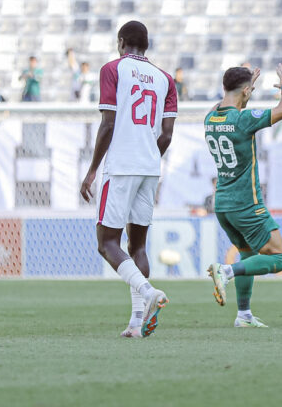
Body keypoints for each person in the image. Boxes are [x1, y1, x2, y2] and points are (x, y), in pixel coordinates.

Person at [79, 20, 176, 339]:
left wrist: (92, 169)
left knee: (106, 243)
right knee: (138, 245)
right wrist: (149, 154)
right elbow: (167, 134)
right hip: (150, 167)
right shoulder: (166, 79)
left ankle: (148, 293)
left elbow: (108, 123)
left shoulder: (112, 69)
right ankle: (136, 323)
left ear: (121, 42)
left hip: (121, 165)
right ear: (146, 45)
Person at [204, 64, 282, 328]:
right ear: (245, 90)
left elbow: (221, 105)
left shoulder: (211, 119)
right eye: (250, 91)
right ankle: (226, 271)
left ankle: (243, 315)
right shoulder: (242, 120)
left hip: (222, 204)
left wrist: (242, 87)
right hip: (247, 204)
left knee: (247, 253)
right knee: (278, 259)